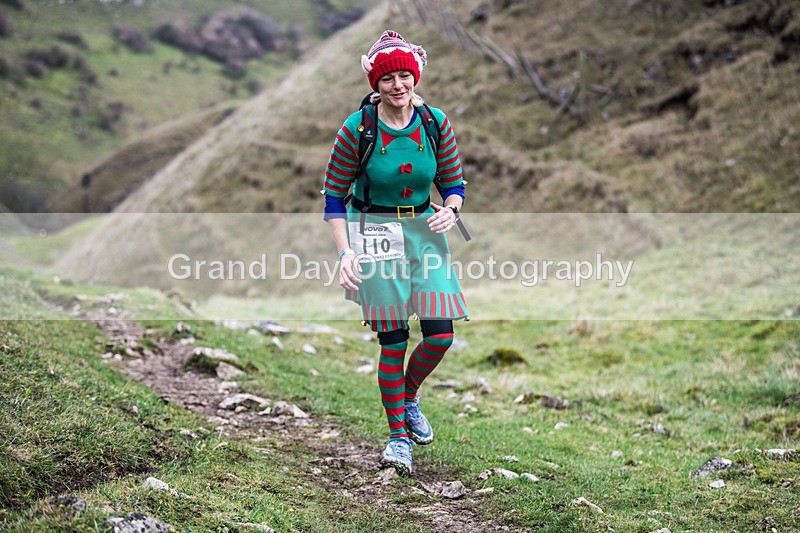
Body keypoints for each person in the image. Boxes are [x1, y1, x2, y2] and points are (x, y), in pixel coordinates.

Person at [322, 30, 468, 476]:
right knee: (394, 339)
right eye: (389, 78)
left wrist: (451, 208)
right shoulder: (358, 129)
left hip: (425, 232)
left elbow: (454, 182)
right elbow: (333, 197)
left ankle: (407, 398)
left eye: (406, 75)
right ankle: (398, 439)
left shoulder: (434, 122)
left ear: (415, 77)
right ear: (376, 83)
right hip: (375, 234)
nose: (398, 85)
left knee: (440, 333)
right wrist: (346, 254)